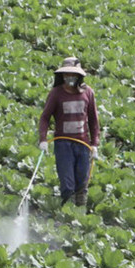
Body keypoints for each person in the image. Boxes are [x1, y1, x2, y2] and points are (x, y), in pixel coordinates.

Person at [38, 56, 100, 206]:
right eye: (66, 75)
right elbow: (45, 117)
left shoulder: (88, 93)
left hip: (83, 144)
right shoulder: (56, 93)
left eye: (73, 75)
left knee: (82, 183)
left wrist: (95, 144)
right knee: (67, 184)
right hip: (63, 144)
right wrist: (43, 140)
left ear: (79, 76)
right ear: (62, 76)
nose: (69, 77)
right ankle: (67, 214)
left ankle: (80, 215)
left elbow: (93, 120)